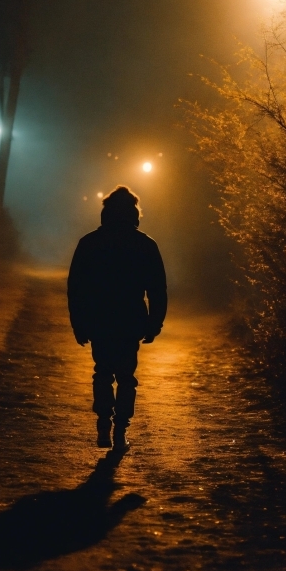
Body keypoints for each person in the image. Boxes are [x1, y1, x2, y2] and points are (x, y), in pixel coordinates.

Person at [67, 185, 167, 452]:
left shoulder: (89, 243)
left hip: (99, 319)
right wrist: (154, 323)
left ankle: (103, 422)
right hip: (130, 320)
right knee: (126, 376)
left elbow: (76, 288)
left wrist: (79, 323)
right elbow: (157, 289)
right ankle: (121, 430)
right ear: (134, 213)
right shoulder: (145, 245)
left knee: (102, 371)